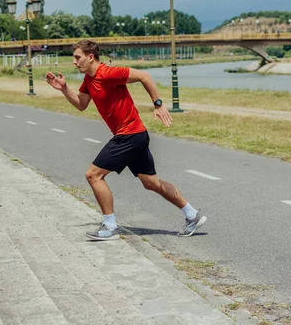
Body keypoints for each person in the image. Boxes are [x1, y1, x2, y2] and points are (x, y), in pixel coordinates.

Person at [45, 40, 207, 241]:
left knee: (93, 175)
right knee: (151, 183)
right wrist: (63, 89)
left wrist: (158, 104)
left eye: (77, 57)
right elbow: (81, 104)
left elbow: (143, 76)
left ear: (90, 57)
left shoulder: (108, 73)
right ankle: (192, 215)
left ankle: (110, 226)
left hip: (129, 134)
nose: (74, 62)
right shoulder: (89, 79)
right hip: (134, 134)